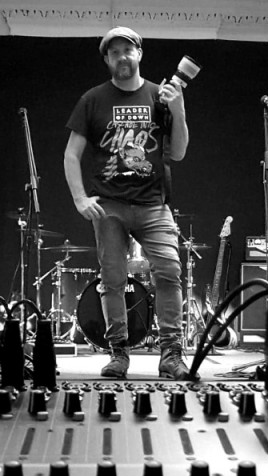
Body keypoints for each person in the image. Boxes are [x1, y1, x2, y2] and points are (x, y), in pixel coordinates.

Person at [63, 26, 195, 380]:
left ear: (139, 54)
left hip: (153, 204)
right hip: (109, 205)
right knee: (113, 280)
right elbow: (71, 154)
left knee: (170, 271)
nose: (122, 56)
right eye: (114, 52)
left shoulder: (159, 95)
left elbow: (178, 153)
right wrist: (79, 198)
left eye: (128, 50)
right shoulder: (93, 99)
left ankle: (171, 354)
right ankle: (118, 353)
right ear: (107, 59)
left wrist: (178, 108)